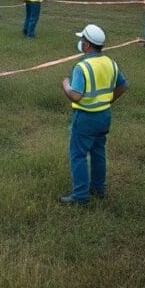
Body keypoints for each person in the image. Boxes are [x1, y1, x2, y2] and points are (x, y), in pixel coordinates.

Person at [60, 24, 129, 206]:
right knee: (98, 153)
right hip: (104, 116)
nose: (81, 43)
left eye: (83, 40)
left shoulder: (82, 67)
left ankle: (80, 197)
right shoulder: (111, 63)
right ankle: (98, 189)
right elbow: (123, 85)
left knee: (78, 155)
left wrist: (65, 84)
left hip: (85, 118)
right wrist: (108, 101)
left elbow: (76, 95)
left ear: (88, 45)